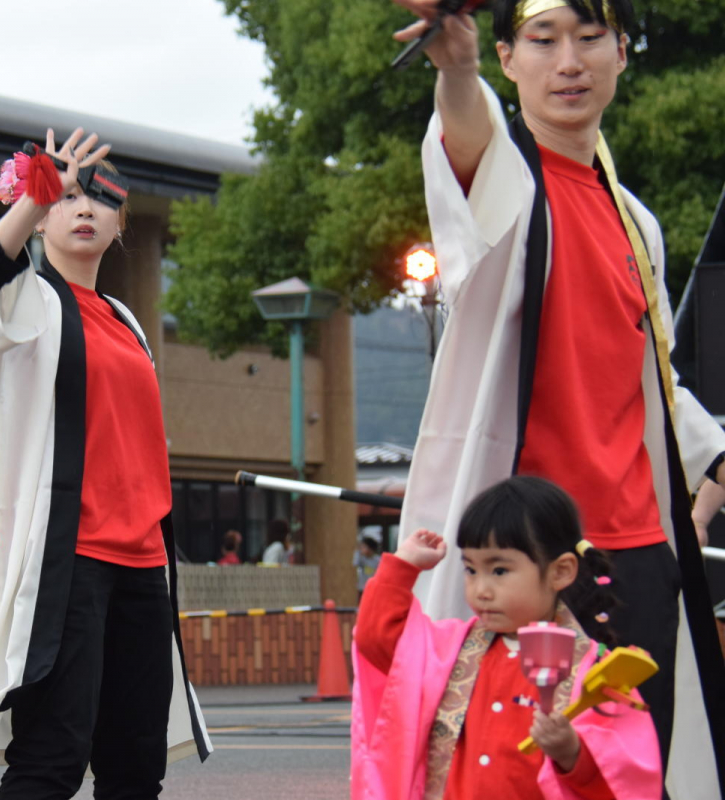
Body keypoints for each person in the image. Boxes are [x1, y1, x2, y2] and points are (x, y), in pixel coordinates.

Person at [388, 1, 725, 793]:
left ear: (622, 55)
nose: (568, 62)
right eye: (543, 41)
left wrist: (716, 455)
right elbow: (470, 137)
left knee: (632, 779)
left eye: (589, 39)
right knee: (516, 779)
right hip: (530, 565)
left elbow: (656, 382)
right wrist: (456, 68)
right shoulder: (511, 184)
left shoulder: (636, 220)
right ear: (508, 57)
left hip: (639, 555)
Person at [0, 128, 210, 798]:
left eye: (100, 198)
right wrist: (39, 190)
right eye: (69, 198)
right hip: (69, 561)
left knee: (134, 765)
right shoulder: (24, 304)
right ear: (39, 216)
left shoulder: (127, 319)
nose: (84, 206)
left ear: (122, 226)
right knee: (52, 755)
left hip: (145, 562)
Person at [352, 476, 661, 798]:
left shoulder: (597, 675)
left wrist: (573, 755)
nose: (481, 590)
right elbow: (376, 638)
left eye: (499, 571)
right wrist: (403, 566)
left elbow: (626, 779)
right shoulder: (448, 652)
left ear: (560, 571)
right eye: (471, 570)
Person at [353, 534, 381, 602]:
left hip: (374, 587)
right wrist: (359, 551)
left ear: (370, 548)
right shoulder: (362, 559)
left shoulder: (378, 560)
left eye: (364, 547)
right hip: (362, 587)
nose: (363, 549)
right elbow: (355, 563)